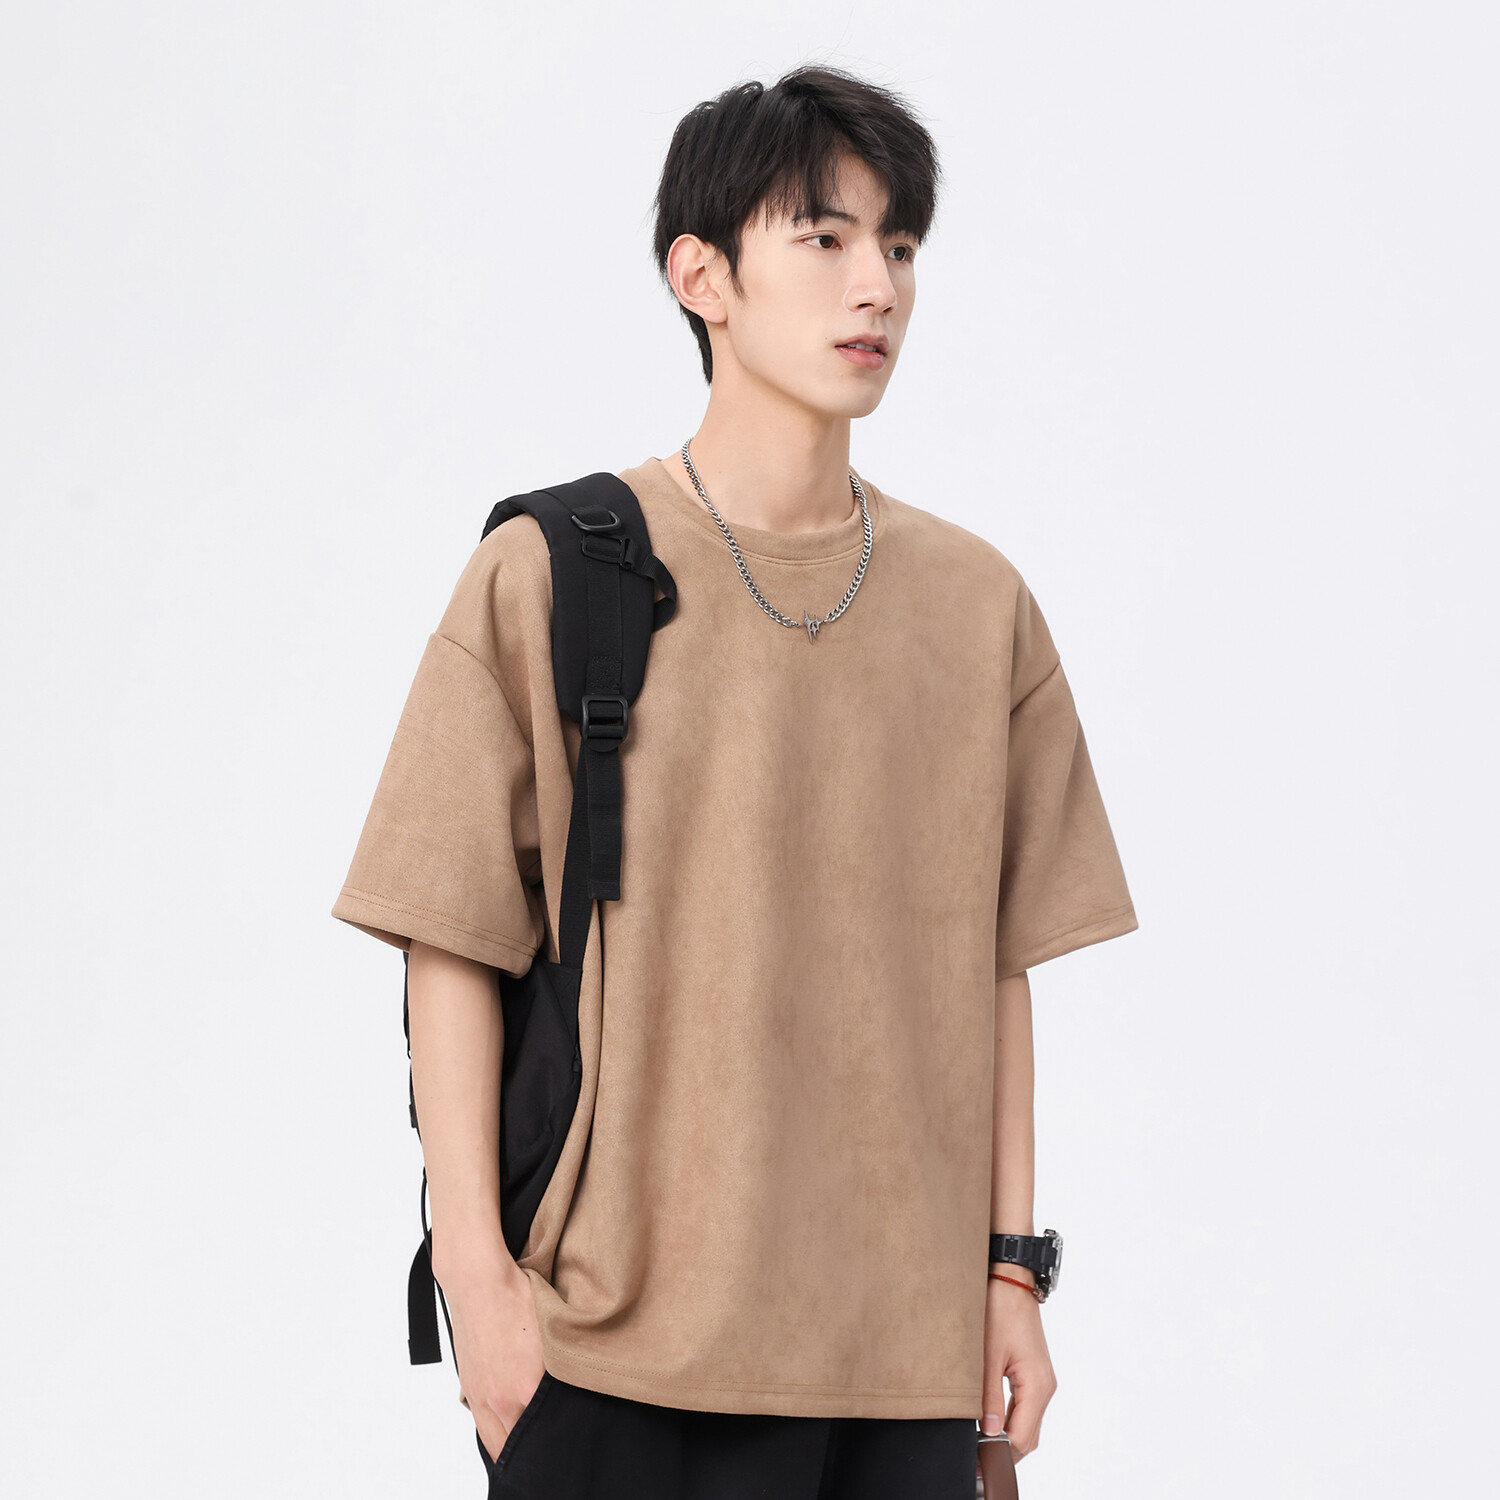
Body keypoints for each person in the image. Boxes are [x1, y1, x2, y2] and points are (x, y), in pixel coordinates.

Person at [331, 63, 1138, 1499]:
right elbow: (449, 936)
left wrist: (1011, 1275)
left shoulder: (977, 606)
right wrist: (477, 1283)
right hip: (619, 1354)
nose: (876, 286)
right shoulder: (550, 574)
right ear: (699, 275)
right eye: (823, 239)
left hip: (904, 1366)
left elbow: (997, 966)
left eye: (900, 245)